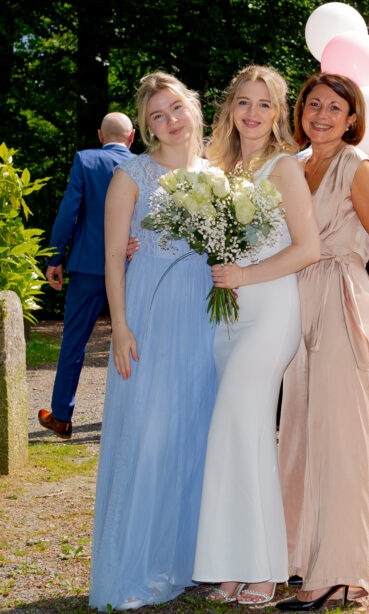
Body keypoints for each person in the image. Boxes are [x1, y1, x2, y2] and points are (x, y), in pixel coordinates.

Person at [191, 65, 320, 607]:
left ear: (277, 112)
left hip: (269, 310)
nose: (252, 113)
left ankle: (265, 568)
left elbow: (307, 247)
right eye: (243, 102)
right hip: (225, 316)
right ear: (229, 109)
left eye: (264, 104)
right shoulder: (216, 169)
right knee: (230, 435)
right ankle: (227, 563)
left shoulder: (284, 167)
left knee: (241, 427)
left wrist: (244, 274)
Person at [89, 72, 217, 611]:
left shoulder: (218, 175)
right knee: (149, 433)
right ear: (146, 128)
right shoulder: (131, 174)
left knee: (196, 432)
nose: (170, 122)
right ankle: (136, 566)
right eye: (157, 116)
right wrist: (120, 325)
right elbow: (114, 255)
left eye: (176, 109)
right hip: (147, 314)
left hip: (206, 318)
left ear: (192, 109)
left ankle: (189, 560)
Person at [276, 73, 369, 611]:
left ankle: (342, 571)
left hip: (342, 296)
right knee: (297, 431)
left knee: (340, 438)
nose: (321, 115)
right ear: (300, 112)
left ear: (352, 118)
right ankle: (296, 556)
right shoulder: (293, 166)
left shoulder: (357, 166)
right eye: (313, 105)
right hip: (292, 301)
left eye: (334, 108)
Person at [38, 113, 135, 439]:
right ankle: (133, 417)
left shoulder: (86, 160)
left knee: (74, 342)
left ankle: (62, 417)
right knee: (138, 341)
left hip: (88, 267)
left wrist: (54, 257)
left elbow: (69, 211)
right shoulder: (143, 164)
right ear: (132, 137)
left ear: (99, 135)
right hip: (132, 267)